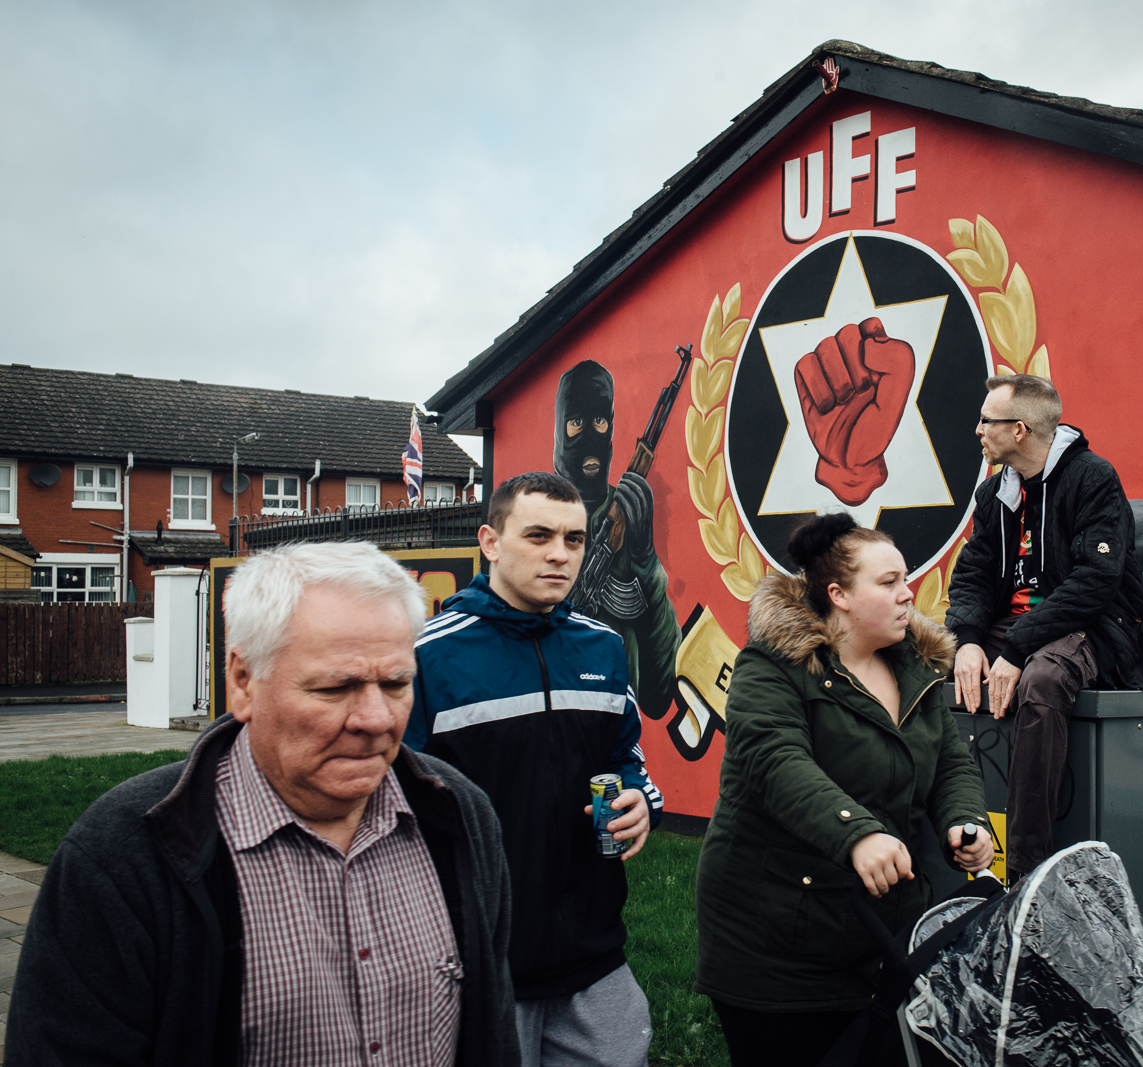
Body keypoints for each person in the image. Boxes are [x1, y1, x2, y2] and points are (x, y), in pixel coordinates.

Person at [6, 541, 519, 1066]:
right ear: (243, 681)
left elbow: (492, 1035)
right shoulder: (122, 858)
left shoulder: (459, 814)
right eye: (335, 687)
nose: (378, 719)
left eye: (396, 683)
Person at [696, 513, 994, 1067]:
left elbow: (952, 762)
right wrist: (857, 834)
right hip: (774, 946)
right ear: (838, 595)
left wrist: (963, 819)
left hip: (879, 940)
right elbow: (776, 761)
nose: (909, 594)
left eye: (906, 578)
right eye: (888, 583)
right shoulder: (771, 668)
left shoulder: (917, 671)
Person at [403, 471, 664, 1067]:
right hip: (478, 958)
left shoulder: (601, 647)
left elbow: (625, 757)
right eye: (539, 535)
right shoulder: (426, 654)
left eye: (575, 539)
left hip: (593, 952)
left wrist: (636, 800)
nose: (559, 554)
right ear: (491, 543)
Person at [946, 373, 1143, 884]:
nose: (976, 430)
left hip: (1095, 624)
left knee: (1043, 681)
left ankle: (1026, 875)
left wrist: (1016, 649)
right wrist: (970, 641)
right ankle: (940, 849)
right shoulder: (995, 492)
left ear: (1018, 429)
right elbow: (972, 575)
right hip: (1015, 627)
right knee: (925, 664)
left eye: (985, 421)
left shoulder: (1092, 479)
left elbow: (1096, 583)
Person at [553, 359, 681, 722]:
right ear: (560, 433)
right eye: (576, 423)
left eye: (600, 422)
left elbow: (658, 697)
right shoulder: (539, 518)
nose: (591, 435)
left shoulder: (625, 515)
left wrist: (645, 562)